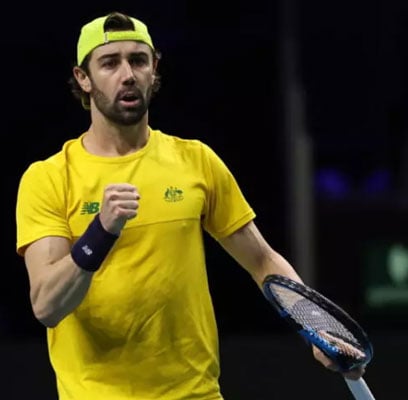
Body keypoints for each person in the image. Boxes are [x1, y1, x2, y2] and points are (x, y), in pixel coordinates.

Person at [14, 11, 363, 400]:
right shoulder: (47, 178)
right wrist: (100, 231)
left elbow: (263, 261)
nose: (127, 74)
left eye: (138, 60)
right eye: (110, 63)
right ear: (83, 78)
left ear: (154, 68)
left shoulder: (195, 161)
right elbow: (46, 305)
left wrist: (315, 327)